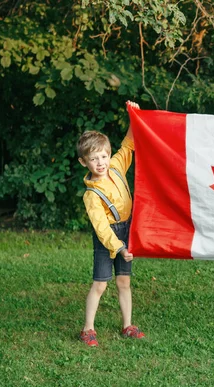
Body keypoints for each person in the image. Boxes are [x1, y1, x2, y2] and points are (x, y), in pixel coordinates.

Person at [76, 100, 145, 347]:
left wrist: (133, 115)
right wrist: (119, 248)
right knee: (100, 284)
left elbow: (129, 143)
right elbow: (101, 228)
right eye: (94, 159)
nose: (101, 162)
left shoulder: (116, 167)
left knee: (124, 281)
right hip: (109, 238)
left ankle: (127, 325)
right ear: (84, 162)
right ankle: (88, 329)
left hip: (127, 229)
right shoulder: (91, 194)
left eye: (104, 156)